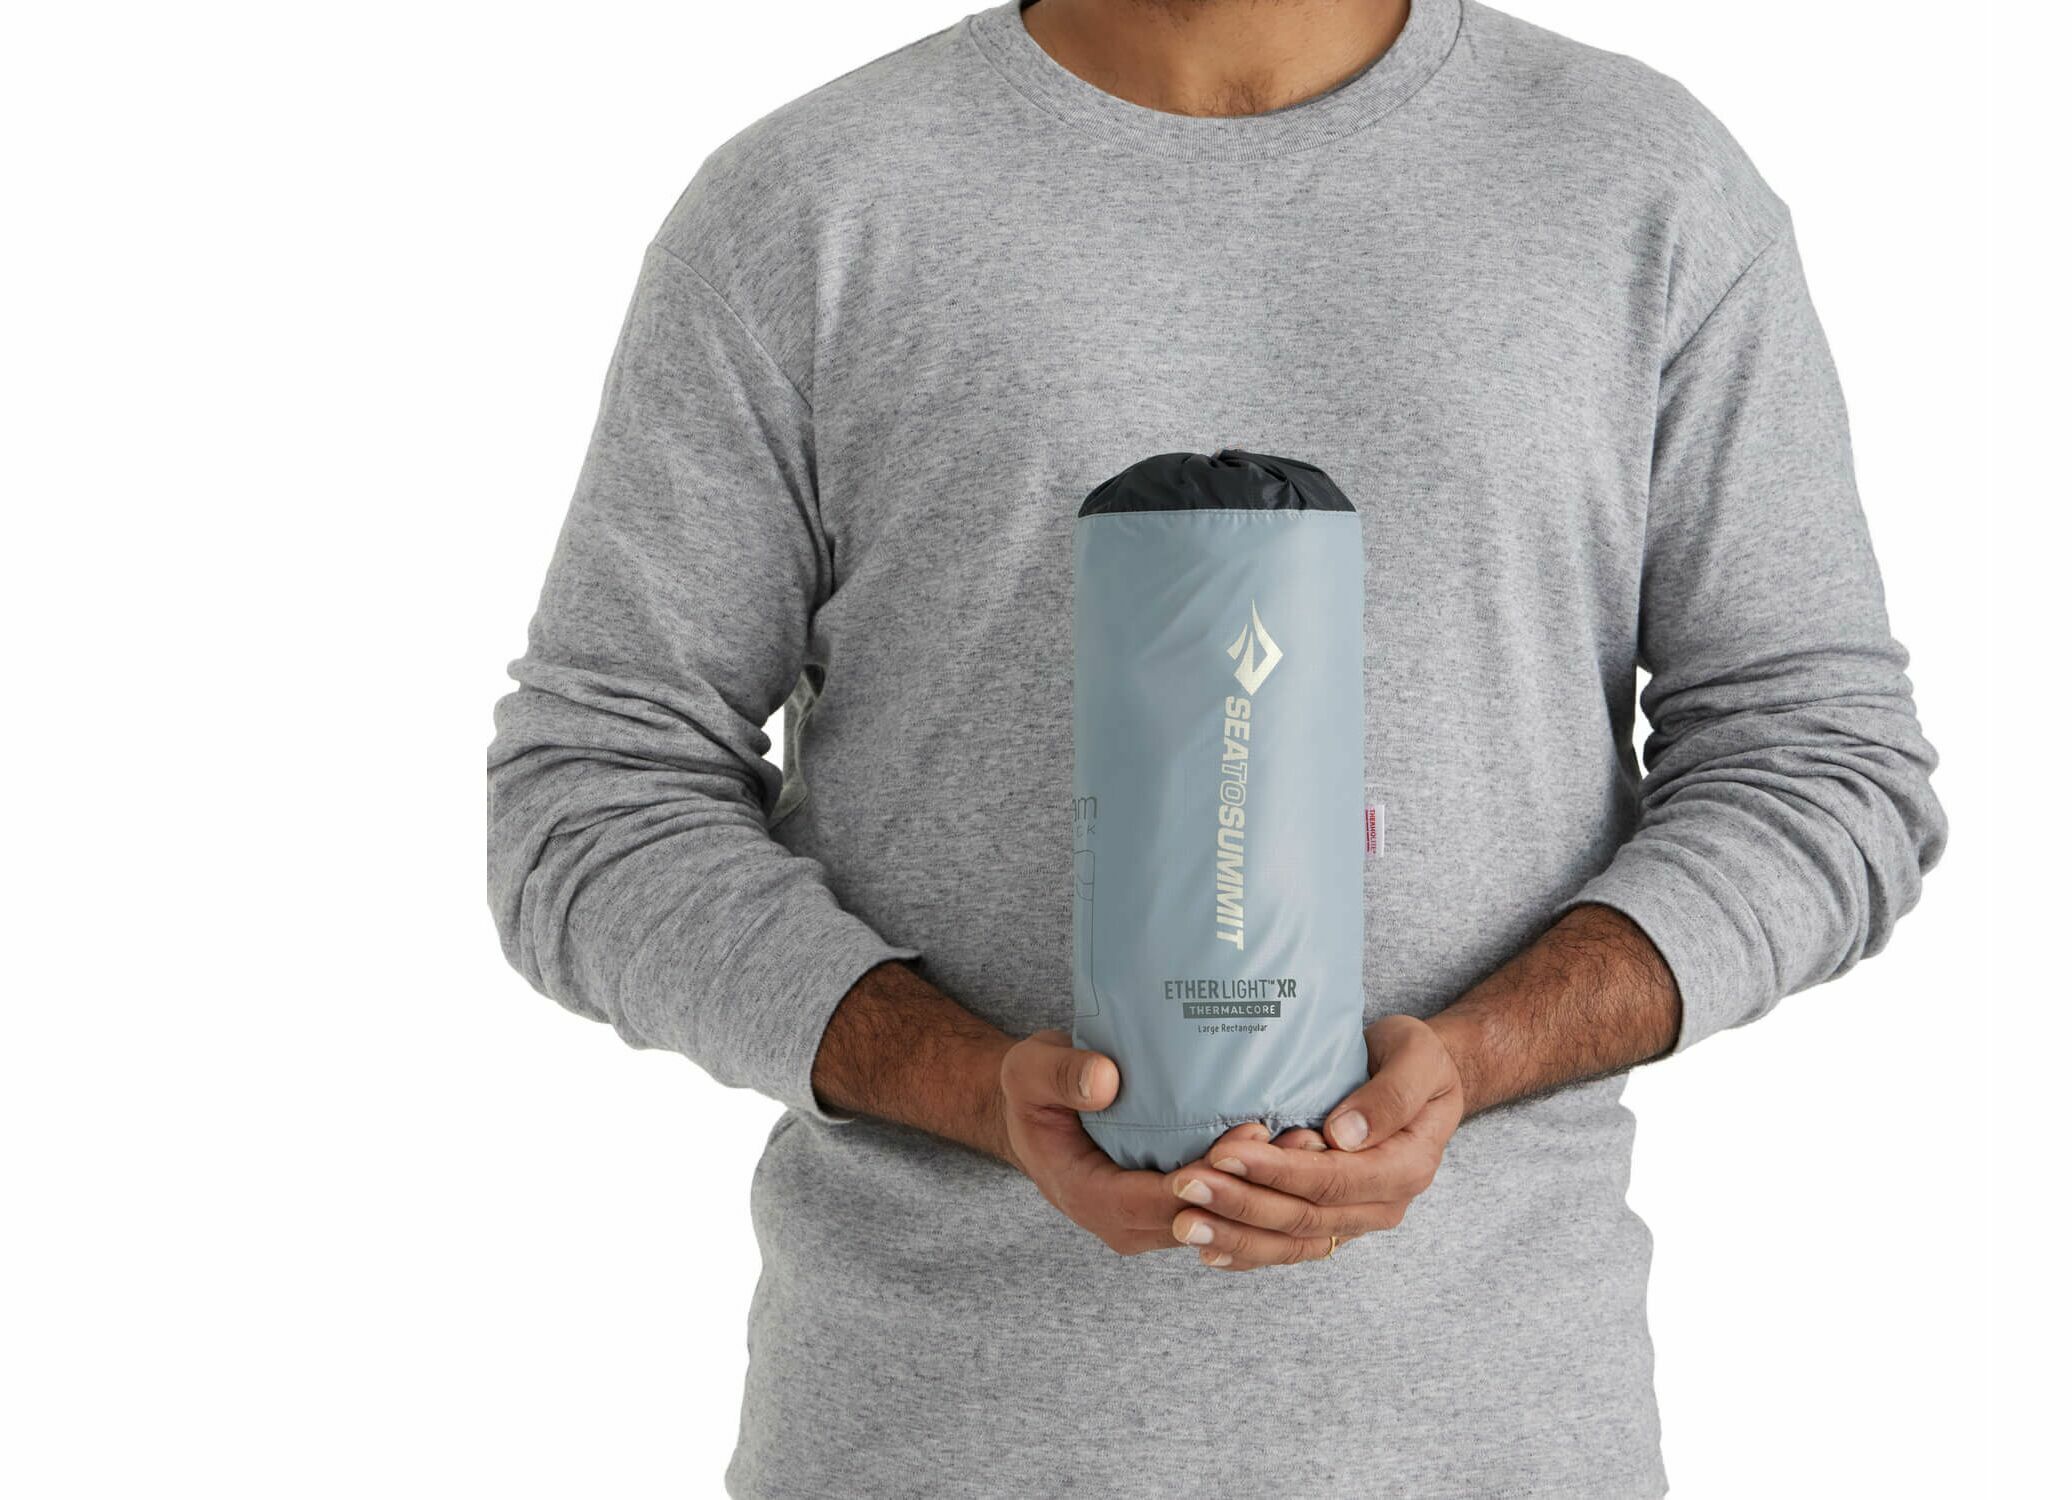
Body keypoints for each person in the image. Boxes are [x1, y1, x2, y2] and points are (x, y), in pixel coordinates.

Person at [486, 1, 1946, 1493]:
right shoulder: (811, 206)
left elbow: (1822, 767)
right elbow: (591, 797)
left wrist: (1481, 1055)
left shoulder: (1643, 188)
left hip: (1494, 1439)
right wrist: (966, 1084)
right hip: (931, 1441)